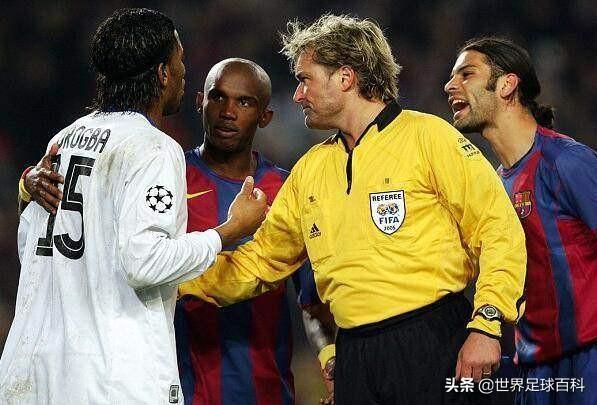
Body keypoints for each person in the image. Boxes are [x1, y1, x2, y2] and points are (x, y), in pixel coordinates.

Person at [179, 15, 527, 404]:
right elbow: (258, 263)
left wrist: (488, 323)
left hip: (433, 341)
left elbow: (498, 229)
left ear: (345, 78)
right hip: (355, 356)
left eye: (305, 80)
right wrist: (173, 277)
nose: (297, 95)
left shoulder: (429, 137)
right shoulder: (310, 170)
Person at [20, 58, 337, 404]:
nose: (228, 112)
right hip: (169, 388)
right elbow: (84, 227)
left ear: (265, 116)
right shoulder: (162, 174)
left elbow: (313, 300)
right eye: (218, 97)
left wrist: (330, 359)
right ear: (200, 101)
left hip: (263, 391)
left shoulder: (286, 189)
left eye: (244, 102)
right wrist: (27, 184)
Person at [1, 8, 266, 404]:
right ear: (162, 73)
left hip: (33, 373)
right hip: (112, 379)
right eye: (179, 61)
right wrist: (228, 231)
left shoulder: (64, 139)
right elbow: (145, 262)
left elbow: (31, 249)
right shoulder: (152, 147)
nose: (184, 72)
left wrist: (25, 188)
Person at [445, 36, 597, 405]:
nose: (450, 86)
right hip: (532, 373)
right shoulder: (493, 188)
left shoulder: (566, 162)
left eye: (466, 74)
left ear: (507, 85)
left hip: (589, 359)